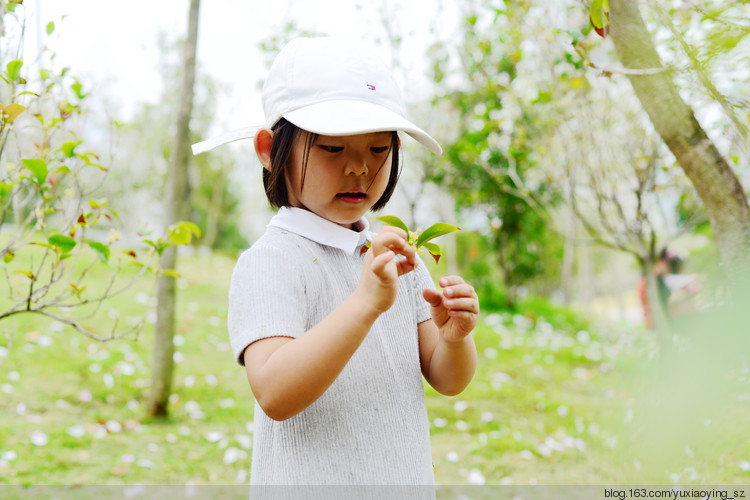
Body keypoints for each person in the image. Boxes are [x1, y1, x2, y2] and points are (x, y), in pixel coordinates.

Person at [192, 37, 479, 486]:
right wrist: (364, 304)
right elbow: (273, 391)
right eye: (332, 148)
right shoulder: (272, 262)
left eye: (379, 149)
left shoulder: (394, 256)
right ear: (269, 150)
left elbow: (447, 379)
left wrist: (456, 338)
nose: (359, 168)